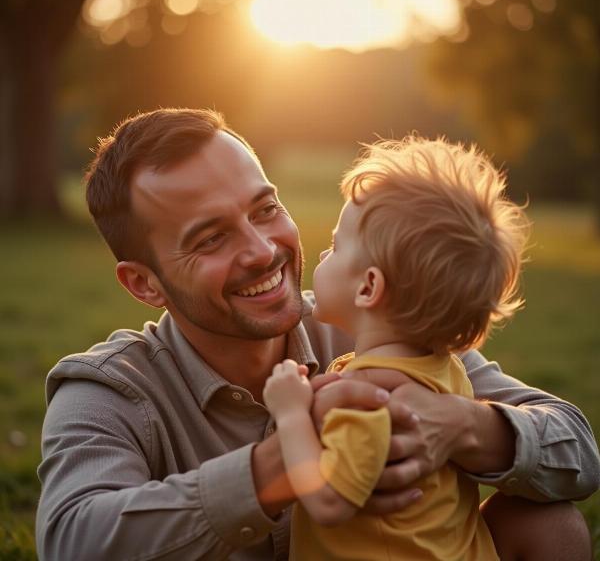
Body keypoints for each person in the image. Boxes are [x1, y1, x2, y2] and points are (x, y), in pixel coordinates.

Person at [36, 108, 599, 560]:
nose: (262, 251)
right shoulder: (110, 390)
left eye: (265, 209)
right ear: (143, 284)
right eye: (210, 239)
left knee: (547, 519)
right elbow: (71, 540)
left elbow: (577, 448)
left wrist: (465, 426)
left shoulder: (378, 328)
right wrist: (271, 470)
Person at [263, 137, 529, 559]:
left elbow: (330, 502)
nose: (323, 255)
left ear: (369, 287)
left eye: (334, 247)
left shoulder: (370, 395)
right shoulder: (445, 370)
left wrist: (290, 411)